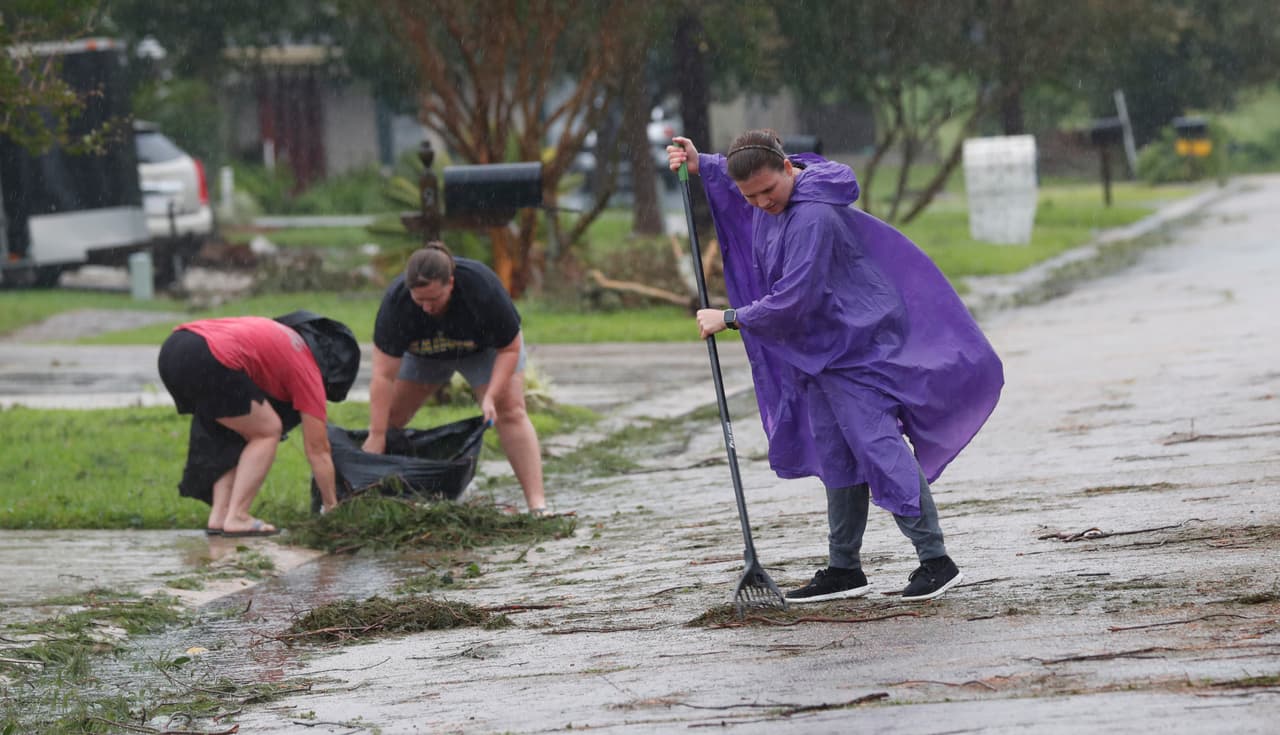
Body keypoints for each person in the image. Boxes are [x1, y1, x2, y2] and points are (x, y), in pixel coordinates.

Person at [667, 130, 1004, 602]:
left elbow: (797, 298)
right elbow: (737, 172)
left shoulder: (814, 216)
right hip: (818, 353)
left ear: (789, 169)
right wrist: (703, 162)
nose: (761, 203)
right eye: (750, 196)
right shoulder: (773, 196)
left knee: (877, 446)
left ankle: (935, 559)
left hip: (855, 345)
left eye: (768, 190)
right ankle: (845, 568)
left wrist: (730, 317)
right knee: (836, 454)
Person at [363, 241, 547, 514]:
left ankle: (537, 505)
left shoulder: (481, 286)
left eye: (433, 299)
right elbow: (383, 377)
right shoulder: (396, 302)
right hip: (424, 355)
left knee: (510, 411)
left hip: (483, 351)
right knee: (388, 420)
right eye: (419, 300)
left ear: (450, 282)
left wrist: (491, 397)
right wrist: (377, 435)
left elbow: (509, 349)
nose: (426, 308)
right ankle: (384, 501)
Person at [158, 310, 361, 537]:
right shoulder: (308, 369)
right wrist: (331, 507)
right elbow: (318, 450)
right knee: (267, 432)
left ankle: (221, 515)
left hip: (175, 348)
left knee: (233, 432)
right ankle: (238, 517)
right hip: (208, 357)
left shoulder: (285, 337)